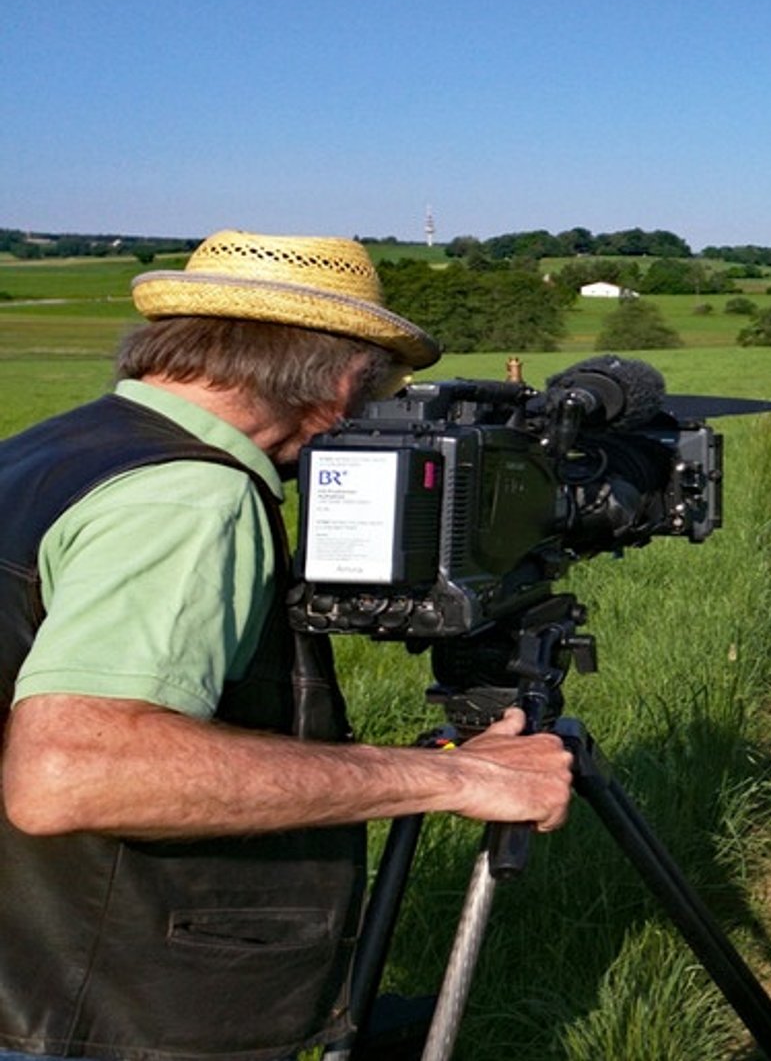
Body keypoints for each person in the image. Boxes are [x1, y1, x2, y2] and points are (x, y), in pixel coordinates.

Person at [0, 231, 575, 1060]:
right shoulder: (190, 497)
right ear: (344, 380)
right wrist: (457, 775)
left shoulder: (54, 449)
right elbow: (73, 772)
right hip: (93, 1011)